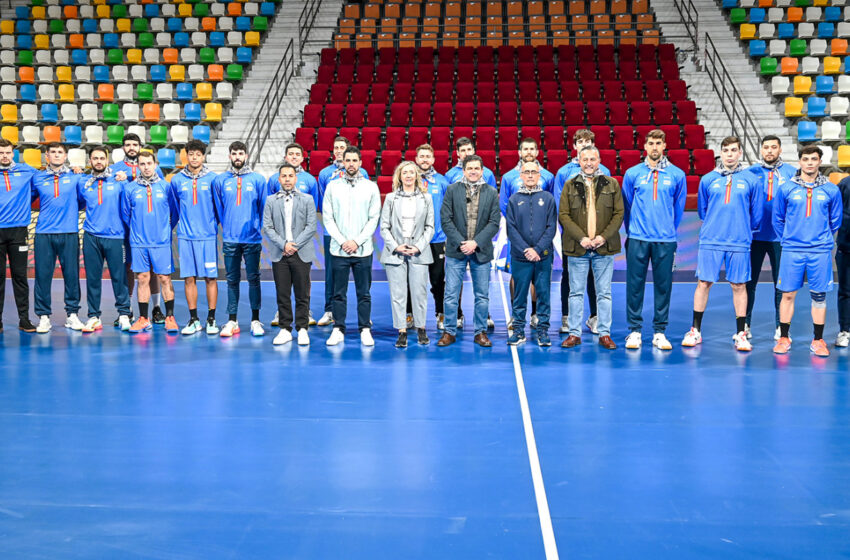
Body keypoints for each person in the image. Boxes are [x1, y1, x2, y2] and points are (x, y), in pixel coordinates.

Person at [684, 136, 763, 351]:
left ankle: (741, 334)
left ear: (740, 153)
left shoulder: (752, 180)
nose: (729, 154)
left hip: (739, 241)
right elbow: (703, 210)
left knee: (739, 285)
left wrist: (742, 228)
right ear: (721, 153)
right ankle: (695, 330)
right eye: (726, 150)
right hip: (711, 239)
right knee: (704, 283)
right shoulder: (708, 179)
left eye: (733, 150)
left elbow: (756, 213)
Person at [773, 146, 843, 357]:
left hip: (819, 251)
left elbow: (835, 220)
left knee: (819, 297)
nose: (810, 162)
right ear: (800, 162)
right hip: (792, 250)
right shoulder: (786, 188)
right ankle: (784, 337)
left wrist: (820, 238)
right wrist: (790, 238)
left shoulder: (831, 190)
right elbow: (778, 218)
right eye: (806, 159)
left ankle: (818, 340)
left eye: (814, 159)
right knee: (787, 294)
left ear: (820, 161)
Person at [621, 129, 687, 350]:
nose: (655, 147)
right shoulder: (632, 173)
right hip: (637, 238)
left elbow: (678, 208)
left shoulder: (677, 175)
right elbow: (627, 205)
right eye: (651, 143)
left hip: (665, 240)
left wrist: (667, 229)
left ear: (665, 145)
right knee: (634, 286)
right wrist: (633, 230)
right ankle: (634, 331)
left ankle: (659, 332)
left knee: (663, 287)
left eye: (659, 143)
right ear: (645, 146)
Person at [559, 146, 623, 350]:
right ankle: (574, 333)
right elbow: (564, 215)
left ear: (599, 161)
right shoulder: (569, 185)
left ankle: (604, 333)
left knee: (604, 293)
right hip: (578, 248)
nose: (588, 163)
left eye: (592, 159)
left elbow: (618, 214)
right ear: (579, 161)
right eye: (585, 159)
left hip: (604, 248)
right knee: (575, 293)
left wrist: (603, 237)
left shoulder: (612, 184)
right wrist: (582, 238)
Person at [438, 155, 500, 348]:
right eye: (470, 168)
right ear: (463, 170)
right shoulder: (452, 190)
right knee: (451, 294)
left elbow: (494, 222)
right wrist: (461, 243)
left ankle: (480, 332)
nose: (473, 171)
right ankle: (449, 331)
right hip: (456, 251)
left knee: (482, 295)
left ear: (482, 171)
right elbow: (445, 219)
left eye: (476, 168)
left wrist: (475, 243)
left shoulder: (491, 192)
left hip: (481, 251)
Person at [322, 147, 381, 346]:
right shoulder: (332, 186)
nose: (351, 164)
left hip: (362, 250)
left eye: (355, 160)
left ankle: (365, 328)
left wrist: (357, 241)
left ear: (360, 163)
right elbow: (328, 218)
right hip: (338, 250)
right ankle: (338, 328)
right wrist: (342, 241)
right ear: (342, 162)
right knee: (338, 293)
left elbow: (373, 218)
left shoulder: (371, 187)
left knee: (364, 293)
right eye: (348, 160)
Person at [554, 129, 609, 335]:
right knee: (569, 276)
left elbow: (609, 205)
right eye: (581, 141)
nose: (584, 144)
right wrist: (574, 233)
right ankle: (567, 317)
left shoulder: (604, 171)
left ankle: (595, 317)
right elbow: (560, 207)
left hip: (597, 237)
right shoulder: (564, 172)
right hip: (572, 236)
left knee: (595, 277)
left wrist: (600, 234)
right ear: (574, 146)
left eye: (588, 141)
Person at [212, 141, 268, 337]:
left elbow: (263, 208)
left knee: (254, 279)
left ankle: (255, 320)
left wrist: (256, 227)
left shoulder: (258, 179)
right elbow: (219, 208)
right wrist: (227, 227)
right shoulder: (220, 180)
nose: (237, 157)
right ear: (230, 156)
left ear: (246, 156)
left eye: (240, 153)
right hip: (230, 239)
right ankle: (232, 320)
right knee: (231, 280)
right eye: (234, 153)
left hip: (252, 239)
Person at [499, 138, 555, 331]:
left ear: (537, 152)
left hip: (541, 240)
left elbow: (550, 204)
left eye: (532, 148)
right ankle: (516, 316)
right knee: (516, 276)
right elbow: (505, 205)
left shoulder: (547, 176)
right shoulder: (509, 177)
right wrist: (518, 230)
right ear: (519, 152)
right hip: (518, 238)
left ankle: (535, 314)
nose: (529, 152)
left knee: (539, 278)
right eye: (525, 149)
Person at [745, 135, 796, 341]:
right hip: (755, 236)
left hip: (780, 238)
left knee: (781, 284)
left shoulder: (792, 173)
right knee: (749, 283)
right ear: (761, 150)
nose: (769, 151)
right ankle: (745, 325)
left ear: (780, 150)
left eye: (773, 147)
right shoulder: (750, 173)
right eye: (766, 147)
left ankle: (780, 327)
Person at [121, 151, 179, 334]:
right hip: (139, 243)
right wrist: (137, 232)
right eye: (142, 164)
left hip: (161, 242)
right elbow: (126, 215)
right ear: (138, 166)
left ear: (155, 164)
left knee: (164, 278)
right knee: (142, 278)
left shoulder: (166, 187)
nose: (146, 167)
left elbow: (175, 213)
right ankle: (143, 318)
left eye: (149, 163)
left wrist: (164, 230)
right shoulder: (129, 189)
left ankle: (170, 317)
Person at [112, 133, 166, 324]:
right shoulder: (114, 169)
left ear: (140, 146)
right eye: (128, 144)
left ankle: (156, 308)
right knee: (127, 268)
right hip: (125, 228)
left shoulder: (154, 168)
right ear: (123, 147)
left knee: (151, 268)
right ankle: (127, 310)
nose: (131, 148)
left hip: (149, 229)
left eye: (135, 144)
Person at [316, 136, 370, 327]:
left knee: (362, 278)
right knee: (332, 274)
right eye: (336, 148)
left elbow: (366, 203)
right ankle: (330, 310)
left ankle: (364, 314)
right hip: (332, 234)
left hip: (357, 235)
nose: (339, 150)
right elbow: (323, 204)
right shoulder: (325, 174)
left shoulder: (363, 174)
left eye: (342, 148)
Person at [381, 161, 435, 348]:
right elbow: (384, 227)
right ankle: (401, 330)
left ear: (417, 176)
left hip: (418, 251)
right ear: (400, 176)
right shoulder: (390, 198)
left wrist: (418, 246)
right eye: (405, 173)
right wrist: (396, 246)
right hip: (396, 251)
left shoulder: (426, 198)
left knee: (419, 292)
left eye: (412, 172)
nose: (409, 175)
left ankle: (421, 328)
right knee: (398, 293)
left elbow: (430, 227)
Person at [78, 145, 132, 332]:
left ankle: (124, 314)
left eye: (102, 158)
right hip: (91, 237)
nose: (99, 161)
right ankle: (94, 316)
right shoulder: (84, 182)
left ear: (107, 160)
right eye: (95, 158)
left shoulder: (119, 180)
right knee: (93, 278)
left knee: (119, 277)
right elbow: (78, 201)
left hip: (115, 237)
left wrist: (127, 177)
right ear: (90, 161)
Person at [32, 142, 84, 333]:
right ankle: (43, 317)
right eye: (52, 152)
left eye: (60, 152)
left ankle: (72, 315)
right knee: (42, 276)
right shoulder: (37, 178)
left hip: (69, 232)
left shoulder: (76, 177)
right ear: (46, 156)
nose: (56, 155)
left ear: (65, 156)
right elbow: (28, 199)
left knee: (72, 276)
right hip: (43, 233)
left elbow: (83, 200)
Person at [263, 163, 317, 346]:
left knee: (303, 294)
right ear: (279, 179)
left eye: (290, 176)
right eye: (284, 176)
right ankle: (285, 329)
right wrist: (283, 245)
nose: (287, 179)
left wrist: (295, 245)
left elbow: (311, 226)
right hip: (280, 253)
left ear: (296, 178)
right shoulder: (270, 200)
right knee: (283, 293)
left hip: (301, 253)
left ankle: (302, 329)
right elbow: (268, 227)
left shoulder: (307, 199)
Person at [170, 140, 220, 335]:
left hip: (207, 237)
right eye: (191, 154)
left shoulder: (213, 179)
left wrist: (211, 226)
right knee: (189, 278)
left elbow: (219, 208)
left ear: (203, 156)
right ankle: (194, 319)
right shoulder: (177, 180)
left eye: (198, 154)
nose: (194, 158)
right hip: (185, 237)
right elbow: (174, 208)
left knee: (210, 278)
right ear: (186, 156)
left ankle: (211, 319)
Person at [506, 160, 557, 347]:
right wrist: (526, 250)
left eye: (533, 172)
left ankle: (543, 331)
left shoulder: (548, 198)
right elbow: (511, 229)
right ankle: (518, 330)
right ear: (520, 175)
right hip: (521, 257)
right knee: (519, 296)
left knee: (543, 294)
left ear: (539, 176)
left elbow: (551, 227)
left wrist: (537, 249)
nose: (529, 175)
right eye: (526, 172)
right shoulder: (513, 200)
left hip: (543, 256)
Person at [0, 139, 37, 333]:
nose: (5, 156)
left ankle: (24, 319)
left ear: (13, 153)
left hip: (18, 231)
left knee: (20, 276)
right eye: (1, 153)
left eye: (8, 152)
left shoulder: (27, 171)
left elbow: (46, 179)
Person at [412, 144, 449, 330]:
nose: (425, 159)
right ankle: (409, 314)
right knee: (412, 280)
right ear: (416, 159)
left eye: (428, 156)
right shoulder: (409, 179)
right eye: (422, 156)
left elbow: (448, 208)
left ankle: (440, 313)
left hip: (436, 239)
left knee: (437, 280)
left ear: (433, 160)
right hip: (414, 240)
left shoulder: (442, 182)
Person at [836, 174, 850, 347]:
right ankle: (845, 330)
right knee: (846, 291)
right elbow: (834, 212)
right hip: (846, 247)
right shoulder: (845, 184)